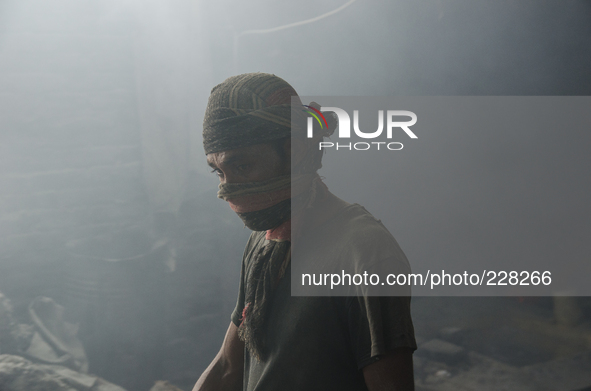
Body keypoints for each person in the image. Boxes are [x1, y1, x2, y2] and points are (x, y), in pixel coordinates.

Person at [193, 73, 416, 391]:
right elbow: (229, 367)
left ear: (295, 151)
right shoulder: (265, 240)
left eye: (242, 167)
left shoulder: (364, 251)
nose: (226, 190)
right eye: (219, 172)